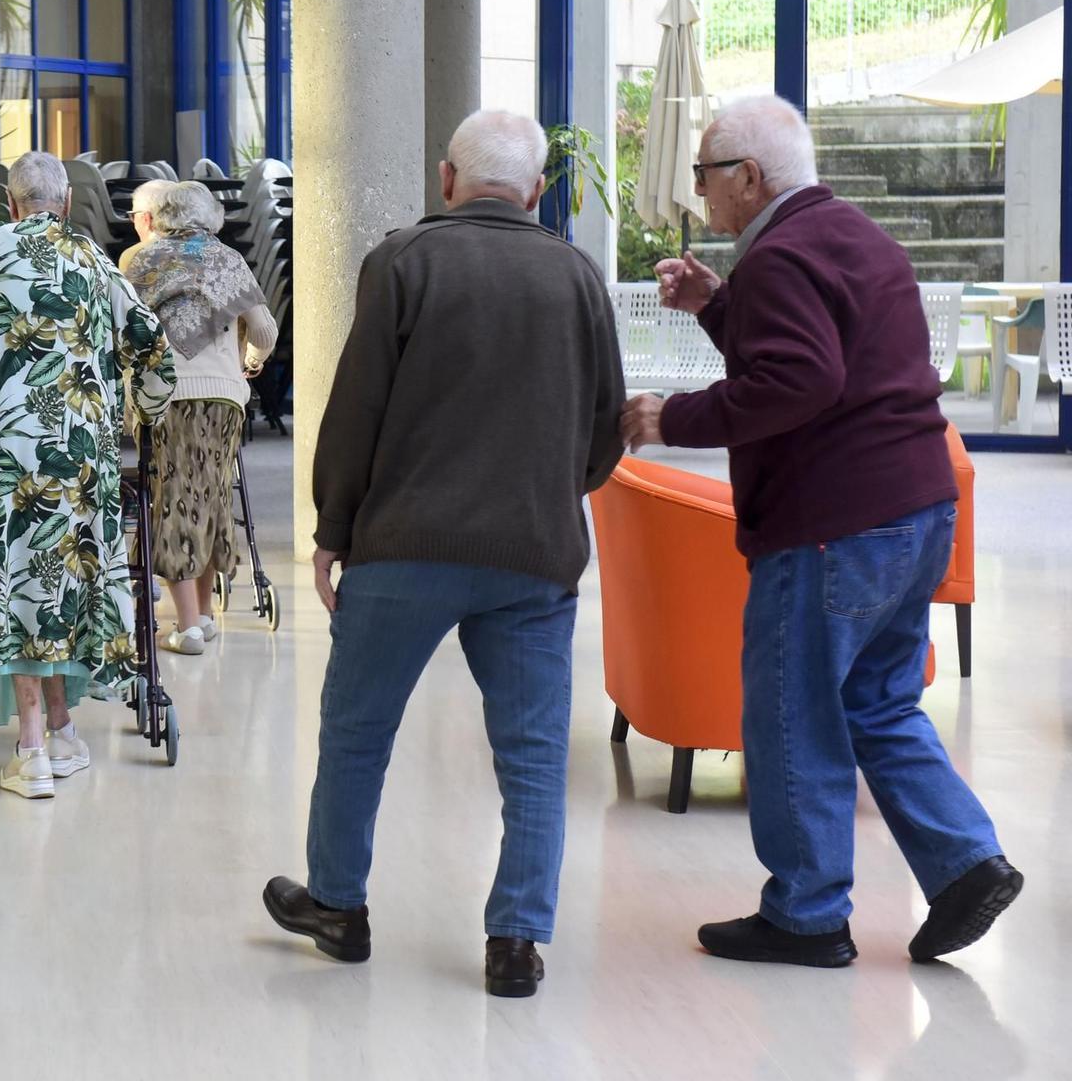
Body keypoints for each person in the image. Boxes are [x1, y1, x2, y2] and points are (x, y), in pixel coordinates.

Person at [619, 95, 1021, 969]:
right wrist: (717, 305)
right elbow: (814, 354)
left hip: (835, 527)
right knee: (878, 703)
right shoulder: (856, 238)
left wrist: (669, 416)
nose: (699, 190)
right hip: (919, 510)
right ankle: (967, 863)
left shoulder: (778, 257)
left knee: (791, 714)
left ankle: (806, 913)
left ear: (749, 177)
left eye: (705, 173)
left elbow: (798, 381)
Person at [263, 111, 626, 998]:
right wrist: (550, 492)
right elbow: (606, 427)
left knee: (358, 730)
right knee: (533, 755)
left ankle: (338, 906)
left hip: (404, 547)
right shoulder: (578, 276)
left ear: (447, 178)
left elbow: (356, 410)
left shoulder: (403, 262)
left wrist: (333, 527)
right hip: (534, 556)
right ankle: (517, 941)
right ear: (536, 192)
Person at [0, 151, 175, 801]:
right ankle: (53, 734)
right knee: (61, 581)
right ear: (65, 205)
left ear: (11, 205)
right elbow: (152, 346)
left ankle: (39, 743)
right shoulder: (94, 258)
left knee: (11, 584)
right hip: (77, 456)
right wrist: (143, 412)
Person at [123, 181, 276, 655]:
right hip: (225, 399)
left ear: (161, 216)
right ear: (210, 217)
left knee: (174, 499)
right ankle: (204, 618)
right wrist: (249, 363)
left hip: (165, 398)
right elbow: (265, 332)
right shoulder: (227, 260)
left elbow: (122, 329)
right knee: (209, 497)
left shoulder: (141, 261)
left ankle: (188, 627)